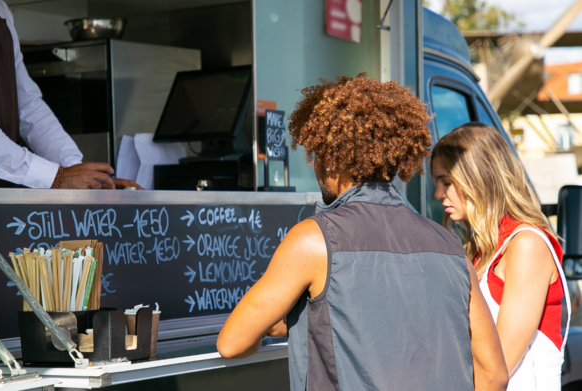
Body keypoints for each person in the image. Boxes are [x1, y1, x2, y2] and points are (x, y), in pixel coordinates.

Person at [217, 75, 508, 391]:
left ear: (330, 160)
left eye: (315, 155)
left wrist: (288, 326)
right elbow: (493, 375)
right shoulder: (450, 247)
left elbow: (232, 343)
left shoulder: (313, 240)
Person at [0, 0, 142, 190]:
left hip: (0, 190)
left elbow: (28, 105)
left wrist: (82, 174)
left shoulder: (0, 10)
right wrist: (55, 177)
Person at [431, 123, 571, 390]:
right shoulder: (480, 248)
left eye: (447, 182)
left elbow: (496, 370)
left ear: (480, 177)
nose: (438, 194)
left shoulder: (527, 245)